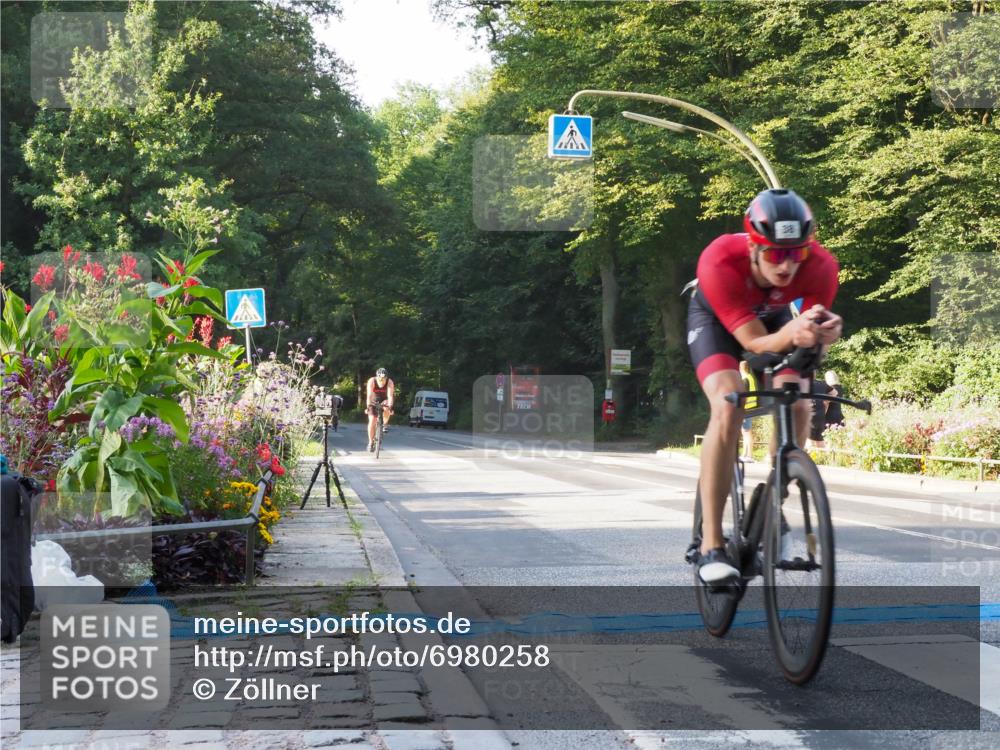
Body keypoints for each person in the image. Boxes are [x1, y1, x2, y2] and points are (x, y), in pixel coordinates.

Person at [686, 188, 843, 584]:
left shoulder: (821, 265)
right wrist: (795, 330)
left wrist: (823, 334)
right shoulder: (720, 258)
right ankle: (710, 545)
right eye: (775, 253)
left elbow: (807, 340)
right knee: (727, 402)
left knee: (800, 403)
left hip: (776, 322)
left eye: (796, 253)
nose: (787, 265)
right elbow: (754, 344)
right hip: (717, 323)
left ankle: (775, 503)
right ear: (754, 247)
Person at [365, 368, 395, 452]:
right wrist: (368, 406)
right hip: (374, 399)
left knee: (387, 408)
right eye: (380, 379)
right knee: (372, 420)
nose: (382, 380)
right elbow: (369, 395)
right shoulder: (372, 381)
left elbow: (390, 396)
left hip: (384, 399)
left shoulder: (389, 382)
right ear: (377, 377)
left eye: (384, 379)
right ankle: (370, 442)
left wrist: (390, 406)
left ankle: (384, 424)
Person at [738, 360, 757, 461]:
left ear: (741, 368)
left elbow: (744, 396)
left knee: (747, 432)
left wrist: (742, 410)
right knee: (745, 431)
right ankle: (745, 454)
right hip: (750, 407)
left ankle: (749, 455)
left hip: (747, 409)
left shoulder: (745, 379)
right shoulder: (750, 377)